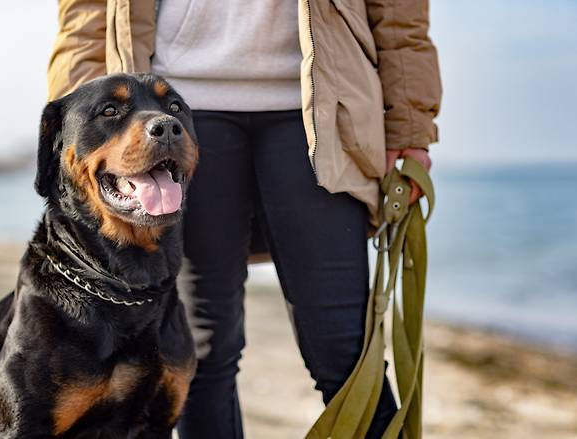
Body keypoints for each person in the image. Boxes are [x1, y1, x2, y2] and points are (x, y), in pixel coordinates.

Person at [47, 1, 441, 438]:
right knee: (202, 352)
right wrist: (84, 127)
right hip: (171, 112)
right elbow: (86, 16)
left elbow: (399, 14)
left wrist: (408, 127)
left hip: (325, 109)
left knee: (344, 350)